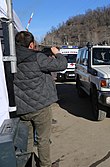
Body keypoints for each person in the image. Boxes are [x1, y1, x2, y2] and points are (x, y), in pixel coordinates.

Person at [14, 31, 67, 167]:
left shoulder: (9, 59)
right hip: (40, 107)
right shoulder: (37, 58)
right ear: (31, 45)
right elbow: (62, 65)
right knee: (43, 140)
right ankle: (45, 165)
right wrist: (57, 53)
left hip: (22, 109)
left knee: (28, 140)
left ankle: (28, 164)